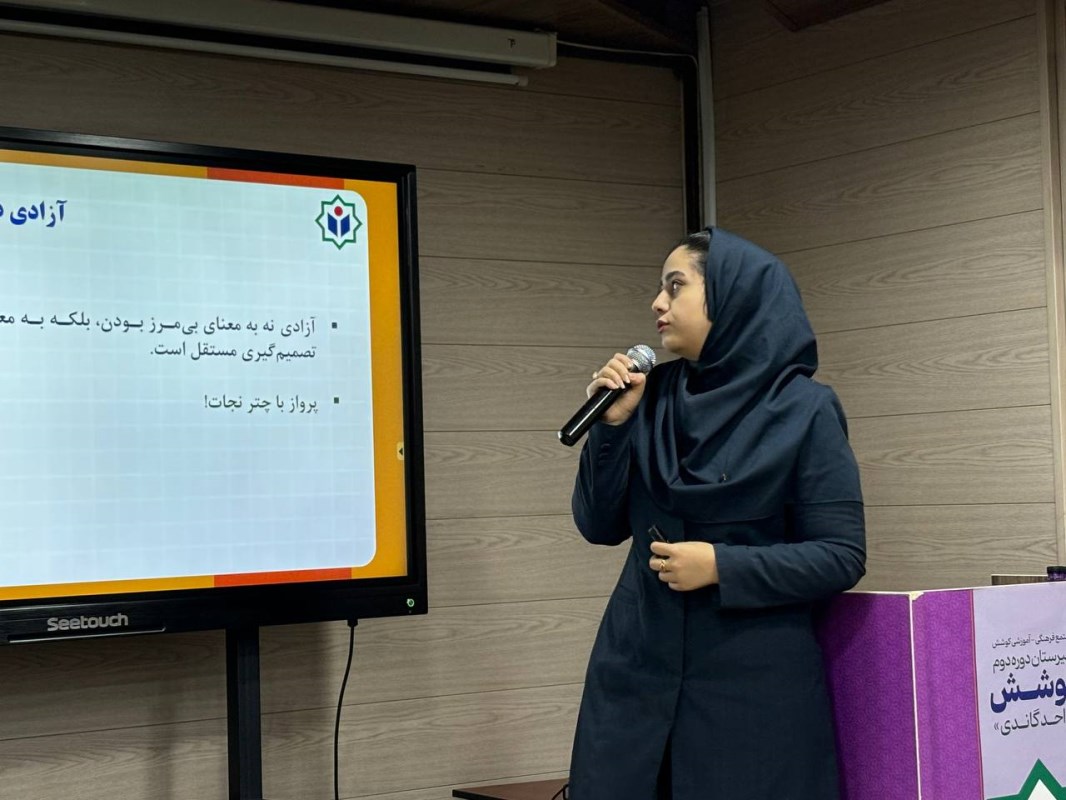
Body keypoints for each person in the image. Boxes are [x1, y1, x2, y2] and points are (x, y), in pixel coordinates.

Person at [567, 227, 866, 800]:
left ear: (732, 295)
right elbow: (598, 526)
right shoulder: (649, 397)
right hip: (634, 679)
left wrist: (722, 566)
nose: (657, 303)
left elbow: (841, 554)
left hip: (750, 694)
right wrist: (613, 427)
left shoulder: (805, 410)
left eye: (675, 286)